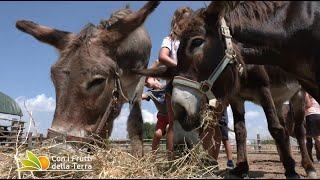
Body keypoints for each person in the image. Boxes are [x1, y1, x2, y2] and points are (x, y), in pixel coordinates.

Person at [146, 6, 194, 157]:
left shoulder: (193, 40)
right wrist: (181, 67)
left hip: (192, 86)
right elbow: (162, 57)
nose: (188, 22)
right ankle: (171, 160)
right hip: (174, 85)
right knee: (173, 123)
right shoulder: (170, 39)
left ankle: (189, 158)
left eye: (190, 20)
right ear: (177, 20)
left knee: (191, 123)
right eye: (185, 19)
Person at [142, 77, 168, 153]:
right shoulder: (150, 92)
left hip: (172, 115)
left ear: (153, 78)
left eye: (146, 80)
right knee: (157, 134)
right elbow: (142, 96)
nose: (144, 84)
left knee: (170, 130)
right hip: (162, 116)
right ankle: (154, 157)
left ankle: (170, 154)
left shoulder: (167, 86)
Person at [304, 92, 320, 163]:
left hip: (311, 115)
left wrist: (300, 107)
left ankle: (310, 158)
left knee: (317, 138)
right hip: (318, 115)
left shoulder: (307, 92)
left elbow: (308, 105)